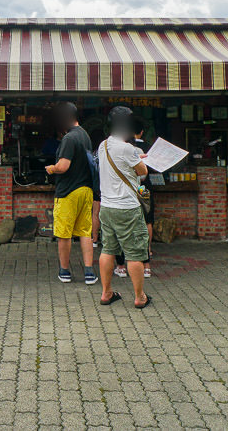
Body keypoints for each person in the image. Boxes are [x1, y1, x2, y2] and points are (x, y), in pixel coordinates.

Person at [97, 106, 152, 309]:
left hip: (107, 207)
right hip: (127, 208)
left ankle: (106, 293)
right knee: (135, 253)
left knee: (108, 249)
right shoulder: (128, 148)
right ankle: (139, 297)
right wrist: (140, 161)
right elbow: (142, 172)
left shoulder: (102, 146)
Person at [45, 102, 97, 285]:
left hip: (68, 192)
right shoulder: (85, 135)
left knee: (64, 234)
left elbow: (63, 166)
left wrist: (51, 168)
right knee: (85, 232)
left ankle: (65, 271)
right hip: (86, 190)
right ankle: (89, 272)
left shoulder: (69, 139)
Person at [115, 120, 154, 278]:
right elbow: (143, 175)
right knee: (145, 224)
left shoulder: (116, 150)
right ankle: (146, 265)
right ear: (141, 132)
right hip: (141, 191)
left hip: (124, 195)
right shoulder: (141, 149)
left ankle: (121, 266)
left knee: (122, 230)